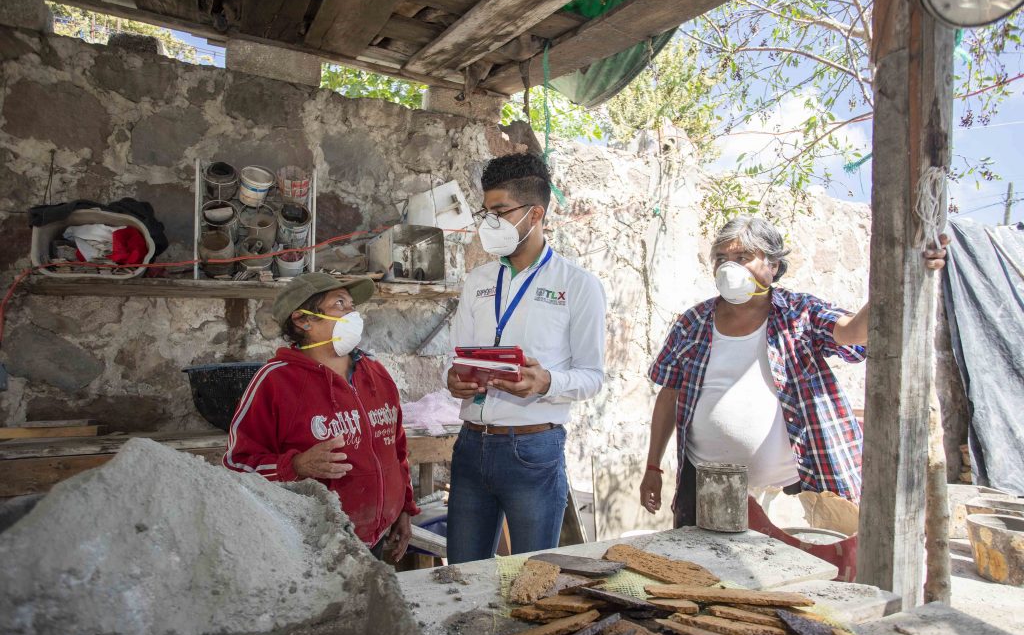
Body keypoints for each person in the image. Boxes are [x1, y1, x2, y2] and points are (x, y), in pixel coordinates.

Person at [640, 216, 949, 526]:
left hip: (788, 493)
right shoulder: (692, 323)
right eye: (721, 258)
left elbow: (855, 331)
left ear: (773, 265)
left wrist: (901, 272)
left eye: (742, 257)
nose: (728, 267)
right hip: (705, 486)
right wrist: (653, 466)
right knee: (702, 571)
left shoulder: (800, 314)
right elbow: (670, 395)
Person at [444, 153, 607, 563]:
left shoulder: (578, 285)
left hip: (532, 449)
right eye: (486, 211)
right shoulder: (479, 280)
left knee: (533, 575)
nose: (489, 222)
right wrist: (455, 380)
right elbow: (458, 359)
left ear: (535, 214)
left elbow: (592, 377)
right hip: (470, 446)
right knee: (464, 575)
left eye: (499, 211)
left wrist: (547, 381)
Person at [223, 273, 418, 561]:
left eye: (352, 305)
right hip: (314, 546)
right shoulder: (274, 382)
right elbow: (236, 466)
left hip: (377, 539)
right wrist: (297, 465)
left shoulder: (375, 372)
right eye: (340, 303)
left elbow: (396, 447)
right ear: (304, 320)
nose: (353, 313)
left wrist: (404, 506)